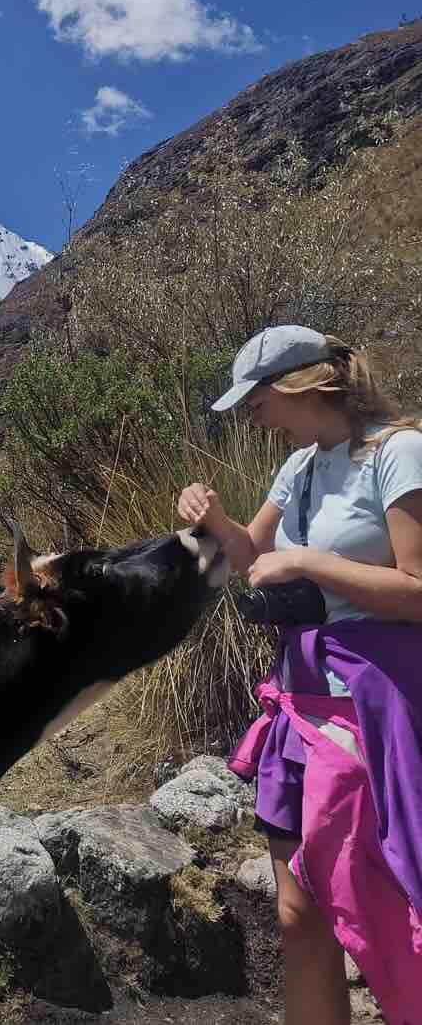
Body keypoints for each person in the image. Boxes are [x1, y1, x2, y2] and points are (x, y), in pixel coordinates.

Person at [177, 324, 422, 1025]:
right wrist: (214, 519)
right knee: (297, 910)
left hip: (371, 711)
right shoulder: (302, 468)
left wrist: (311, 564)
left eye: (254, 398)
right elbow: (251, 556)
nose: (250, 413)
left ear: (295, 385)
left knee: (380, 903)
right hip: (300, 705)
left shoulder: (397, 454)